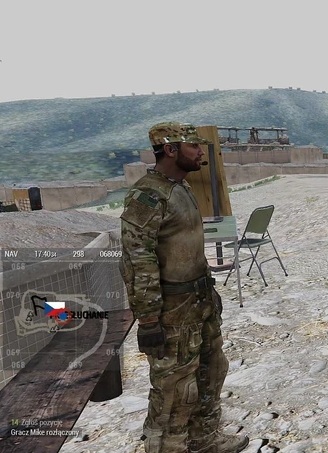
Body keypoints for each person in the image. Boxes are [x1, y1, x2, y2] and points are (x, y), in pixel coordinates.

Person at [120, 122, 249, 452]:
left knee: (211, 371)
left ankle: (204, 439)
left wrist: (209, 294)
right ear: (170, 150)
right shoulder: (148, 196)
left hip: (199, 303)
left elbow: (187, 248)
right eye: (193, 146)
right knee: (174, 388)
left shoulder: (181, 188)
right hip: (173, 312)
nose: (200, 152)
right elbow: (137, 260)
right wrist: (149, 319)